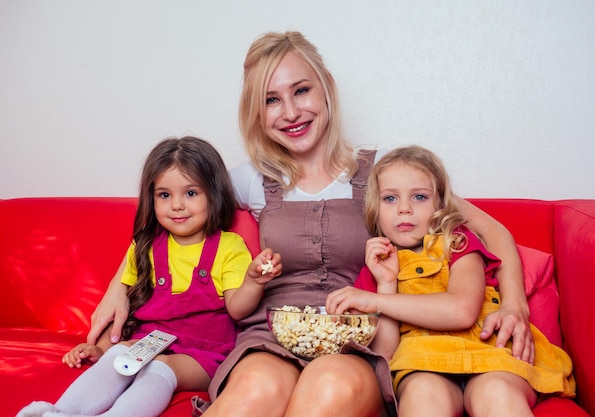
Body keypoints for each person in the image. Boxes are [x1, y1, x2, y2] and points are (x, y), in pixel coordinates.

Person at [87, 31, 534, 417]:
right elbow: (173, 223)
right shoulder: (248, 180)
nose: (290, 112)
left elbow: (493, 233)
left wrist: (514, 304)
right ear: (257, 113)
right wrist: (117, 288)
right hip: (270, 335)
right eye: (271, 100)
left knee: (326, 389)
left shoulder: (382, 175)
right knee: (254, 390)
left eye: (301, 91)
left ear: (326, 90)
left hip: (355, 341)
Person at [16, 136, 282, 417]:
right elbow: (125, 311)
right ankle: (59, 412)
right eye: (164, 195)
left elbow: (237, 308)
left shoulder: (229, 246)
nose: (177, 205)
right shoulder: (145, 246)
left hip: (205, 354)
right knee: (122, 357)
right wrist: (101, 349)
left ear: (213, 194)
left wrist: (252, 281)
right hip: (151, 339)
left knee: (157, 368)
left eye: (191, 193)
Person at [326, 145, 575, 417]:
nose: (405, 209)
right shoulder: (376, 268)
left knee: (495, 393)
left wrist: (376, 300)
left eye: (420, 197)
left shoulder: (458, 244)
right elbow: (386, 355)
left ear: (441, 204)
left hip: (490, 355)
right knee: (422, 395)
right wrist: (385, 284)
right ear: (375, 208)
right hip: (423, 365)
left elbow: (462, 310)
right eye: (390, 199)